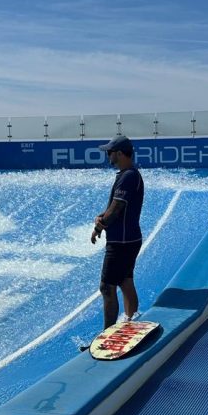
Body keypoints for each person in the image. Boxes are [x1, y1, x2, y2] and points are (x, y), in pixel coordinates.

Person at [90, 135, 144, 330]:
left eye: (110, 152)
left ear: (120, 153)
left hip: (121, 242)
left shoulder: (128, 176)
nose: (108, 155)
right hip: (128, 239)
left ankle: (107, 334)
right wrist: (102, 216)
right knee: (125, 280)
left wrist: (99, 226)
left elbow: (117, 208)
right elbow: (115, 206)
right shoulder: (128, 174)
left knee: (107, 287)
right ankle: (130, 321)